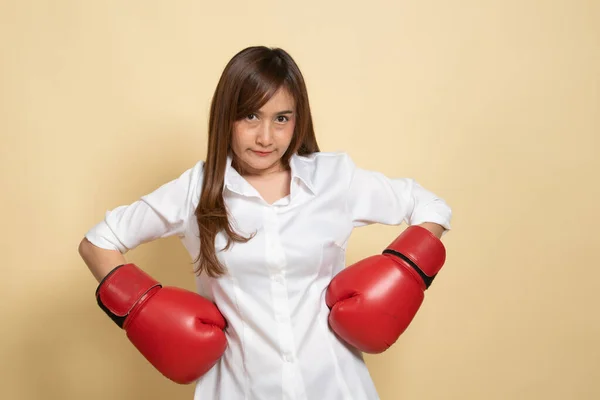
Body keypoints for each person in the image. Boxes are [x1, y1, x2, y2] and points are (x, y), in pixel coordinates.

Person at [78, 46, 452, 400]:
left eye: (281, 119)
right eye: (250, 116)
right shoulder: (196, 190)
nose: (265, 137)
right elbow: (98, 242)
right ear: (227, 116)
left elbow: (431, 207)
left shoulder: (333, 178)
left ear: (297, 120)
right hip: (238, 389)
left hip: (336, 387)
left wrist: (405, 272)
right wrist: (143, 310)